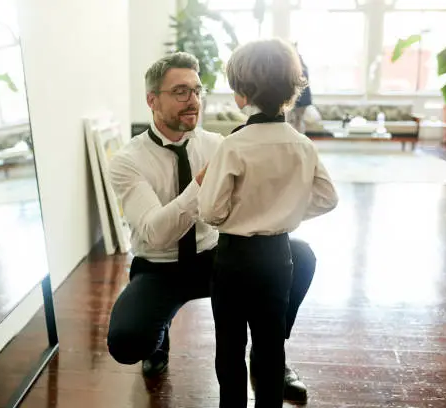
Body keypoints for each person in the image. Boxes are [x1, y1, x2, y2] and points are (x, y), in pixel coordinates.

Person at [106, 51, 317, 404]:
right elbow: (156, 233)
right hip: (159, 268)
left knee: (299, 255)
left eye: (197, 90)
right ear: (151, 100)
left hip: (216, 258)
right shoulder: (128, 162)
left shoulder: (219, 145)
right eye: (180, 92)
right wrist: (201, 184)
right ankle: (158, 345)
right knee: (128, 343)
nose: (193, 101)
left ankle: (268, 356)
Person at [197, 39, 338, 408]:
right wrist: (287, 212)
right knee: (271, 344)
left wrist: (239, 215)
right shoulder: (302, 144)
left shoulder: (234, 145)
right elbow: (327, 198)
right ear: (291, 93)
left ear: (242, 95)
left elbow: (211, 212)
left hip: (234, 259)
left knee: (229, 345)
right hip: (278, 257)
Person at [290, 43, 312, 133]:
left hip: (301, 95)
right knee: (297, 119)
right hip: (302, 95)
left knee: (297, 119)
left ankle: (298, 136)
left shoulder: (296, 62)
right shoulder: (299, 62)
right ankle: (299, 136)